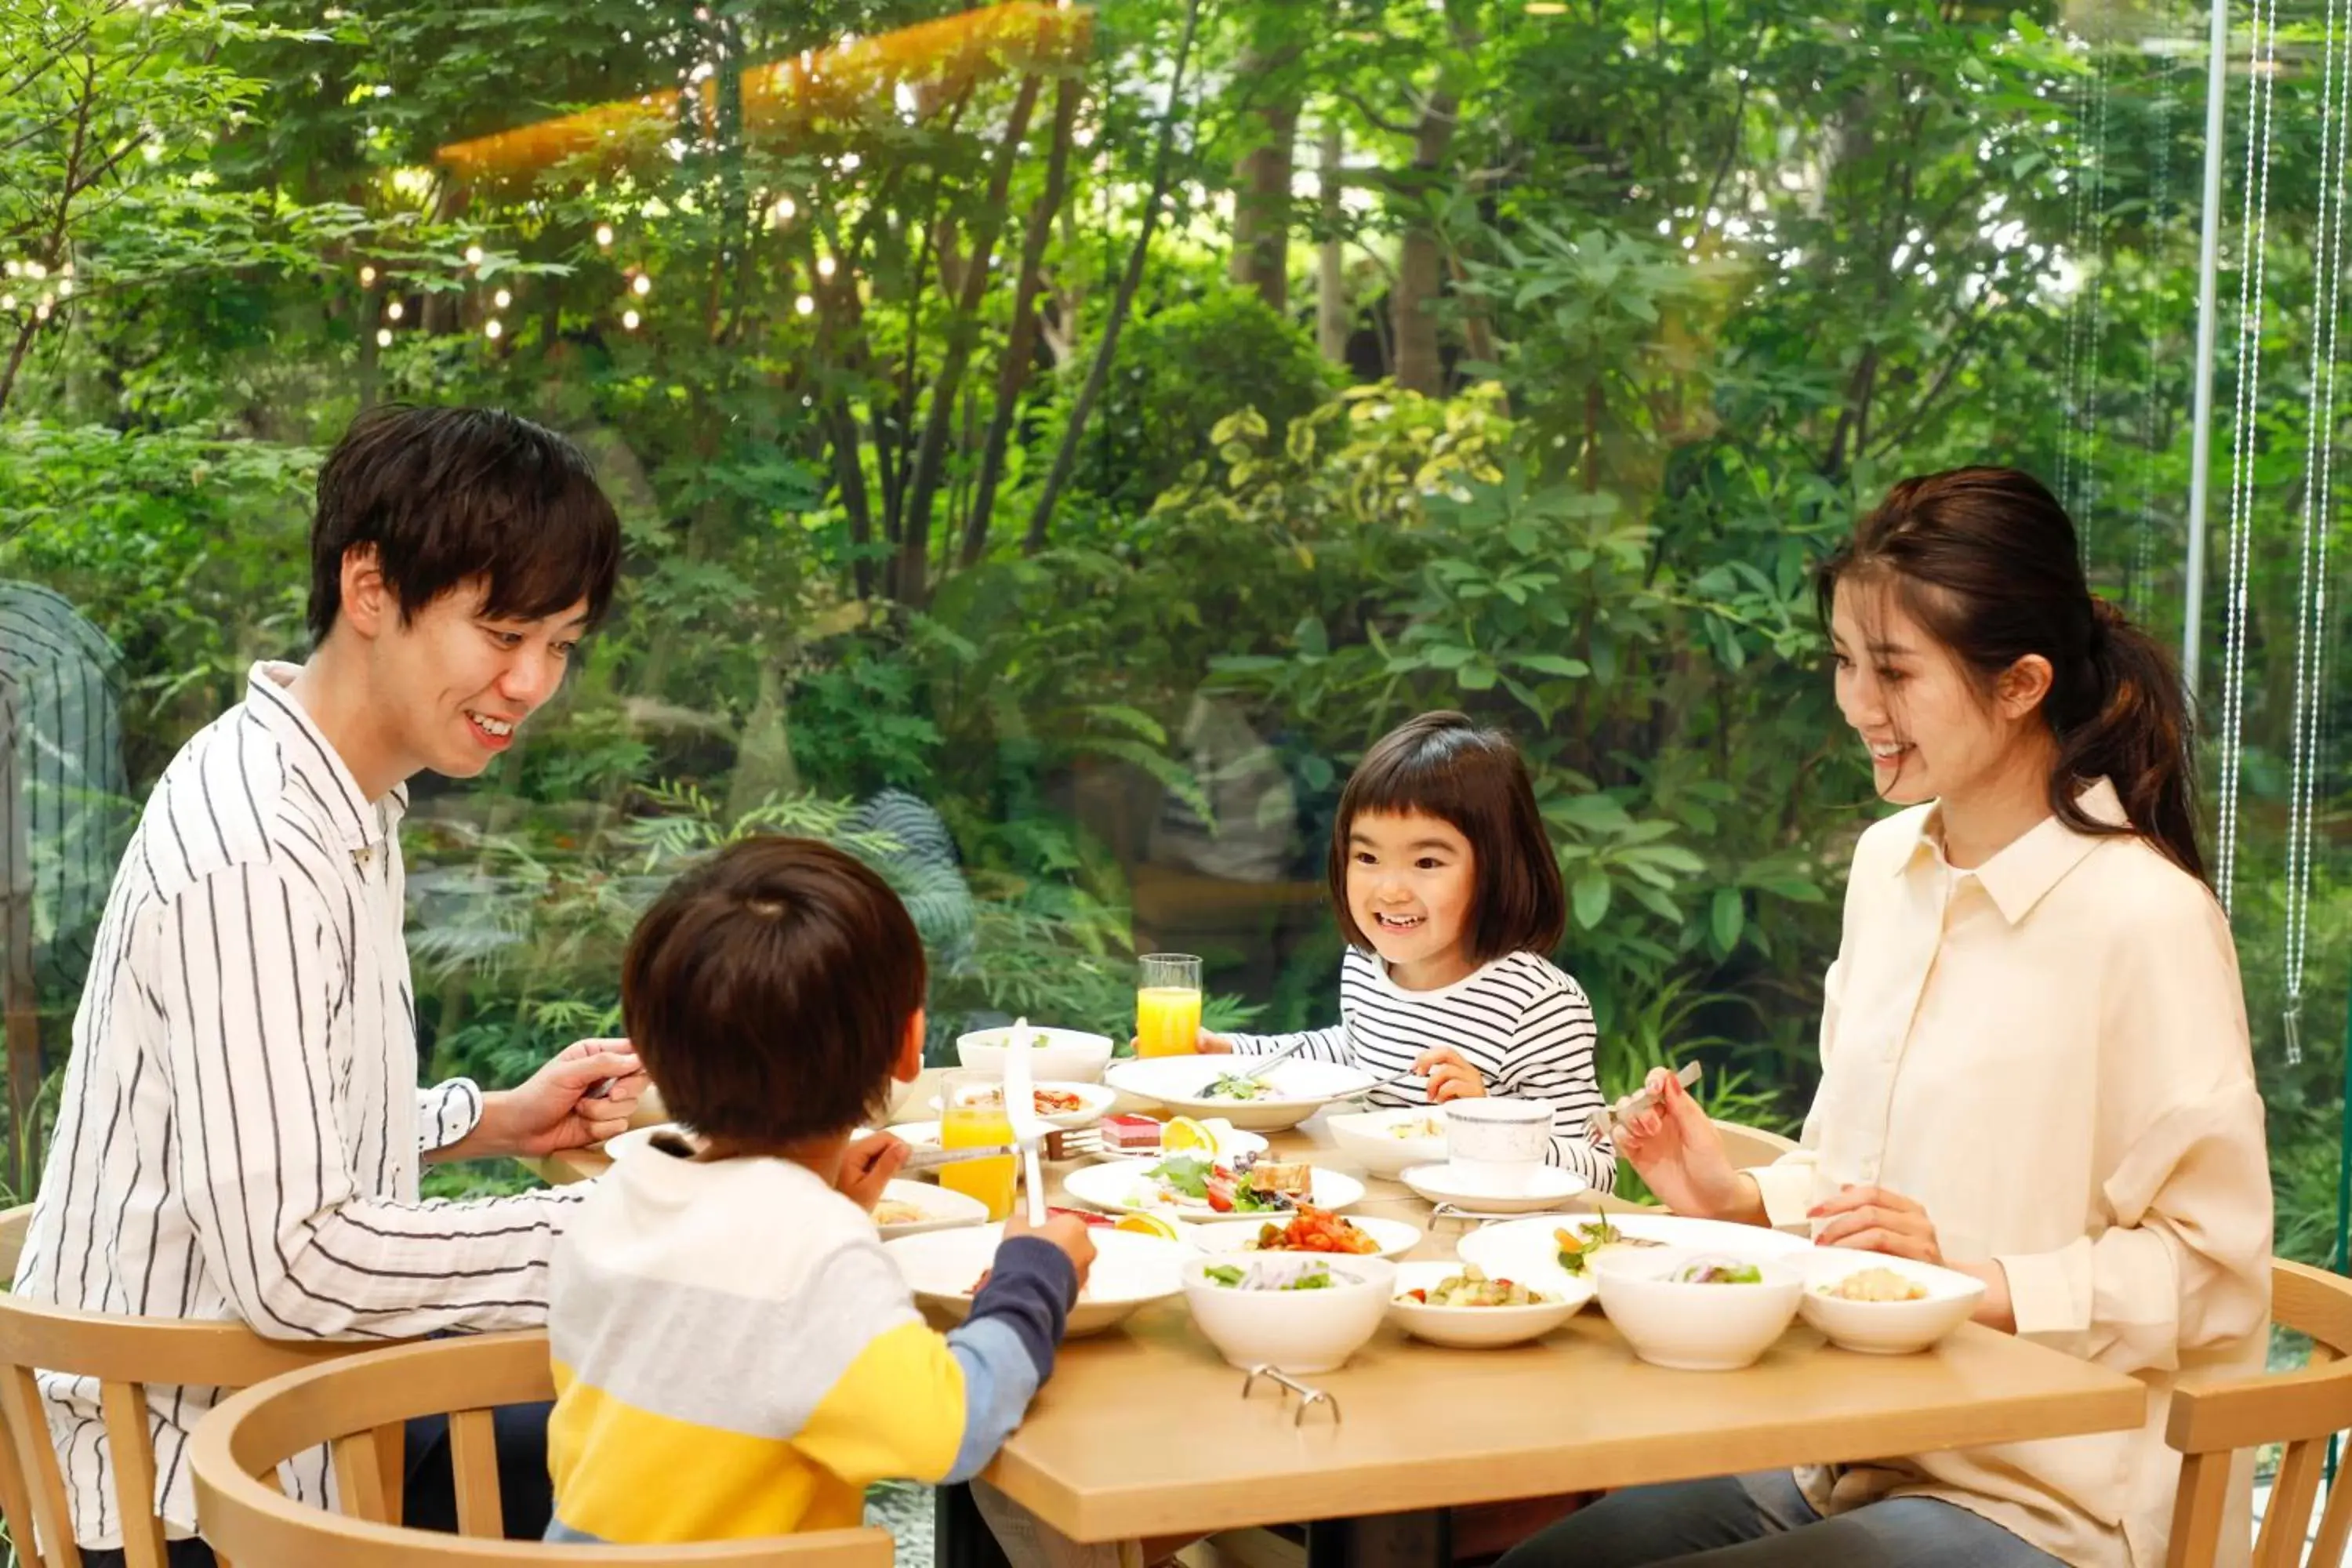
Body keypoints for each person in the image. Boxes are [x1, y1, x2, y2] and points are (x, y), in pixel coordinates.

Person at [1497, 467, 2271, 1568]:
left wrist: (1984, 1281)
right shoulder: (1888, 870)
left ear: (2021, 684)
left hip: (2049, 1502)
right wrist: (1742, 1198)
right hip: (1851, 1450)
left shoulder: (2145, 917)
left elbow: (2213, 1271)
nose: (1858, 704)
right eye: (1845, 663)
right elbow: (1879, 1179)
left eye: (1896, 671)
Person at [10, 405, 652, 1567]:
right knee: (694, 1445)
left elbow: (265, 1128)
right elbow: (296, 1261)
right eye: (504, 631)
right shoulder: (257, 843)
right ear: (371, 587)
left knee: (657, 1437)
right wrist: (620, 1226)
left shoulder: (334, 795)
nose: (533, 681)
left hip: (278, 1420)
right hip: (187, 1497)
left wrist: (492, 1121)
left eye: (561, 643)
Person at [541, 835, 1098, 1547]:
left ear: (649, 1052)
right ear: (909, 1044)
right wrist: (1033, 1273)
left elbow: (733, 1339)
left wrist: (828, 1207)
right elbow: (953, 1433)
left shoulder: (622, 1195)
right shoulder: (810, 1251)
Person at [1200, 710, 1616, 1193]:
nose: (1390, 889)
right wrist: (1231, 1054)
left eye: (1427, 861)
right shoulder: (1367, 964)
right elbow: (1353, 1048)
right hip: (1382, 1208)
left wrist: (1488, 1123)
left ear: (1497, 868)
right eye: (1368, 858)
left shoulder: (1539, 1004)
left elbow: (1599, 1172)